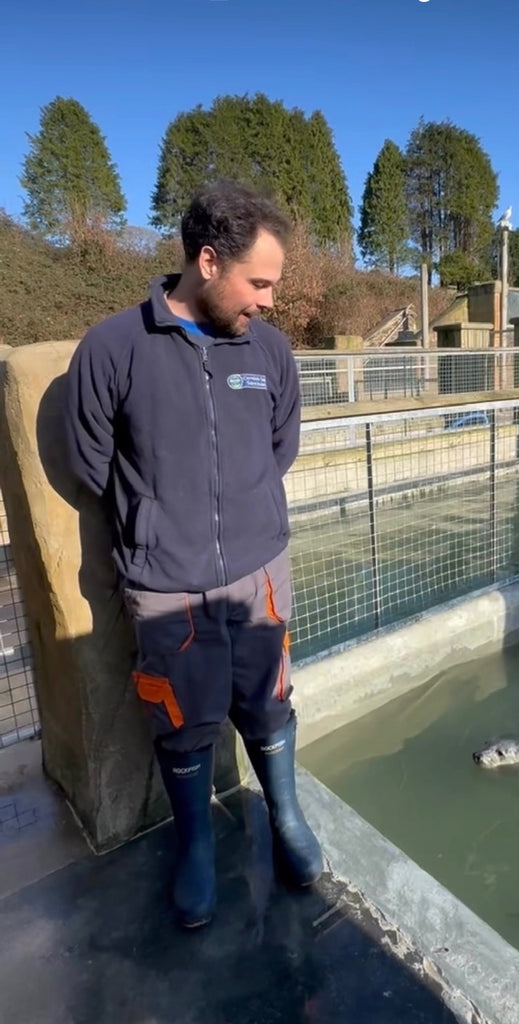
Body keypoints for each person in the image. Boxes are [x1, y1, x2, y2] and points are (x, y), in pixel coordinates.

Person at [65, 179, 323, 930]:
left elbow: (281, 448)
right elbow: (90, 464)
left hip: (259, 575)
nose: (269, 300)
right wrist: (159, 520)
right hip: (165, 587)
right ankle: (197, 847)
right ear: (208, 261)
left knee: (269, 702)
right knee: (181, 721)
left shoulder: (268, 351)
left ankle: (287, 819)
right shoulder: (113, 349)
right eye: (260, 282)